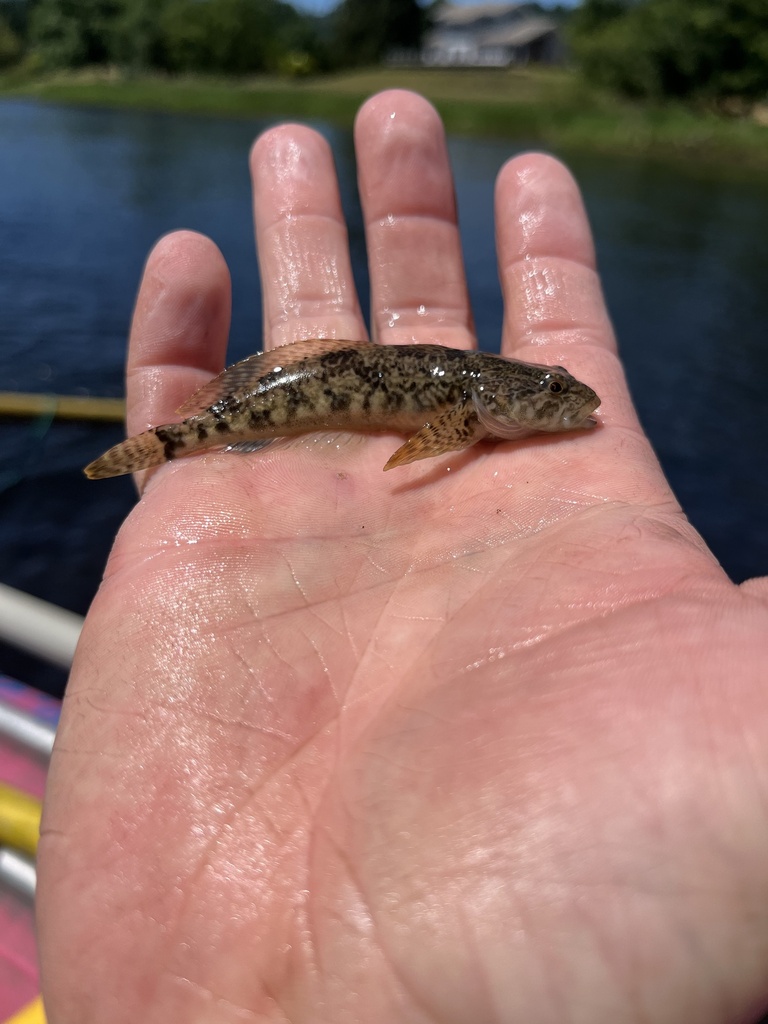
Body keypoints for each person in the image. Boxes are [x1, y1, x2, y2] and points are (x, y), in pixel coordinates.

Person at [37, 91, 768, 1024]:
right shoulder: (470, 403)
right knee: (218, 420)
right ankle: (177, 441)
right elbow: (433, 435)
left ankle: (176, 440)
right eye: (549, 391)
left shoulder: (487, 399)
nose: (568, 400)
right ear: (500, 398)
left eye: (553, 388)